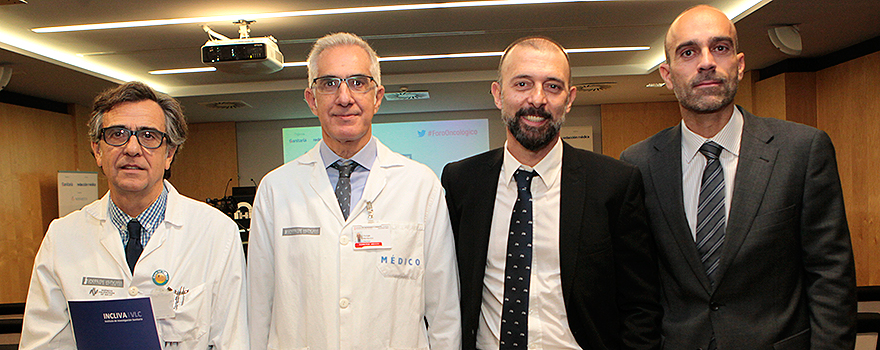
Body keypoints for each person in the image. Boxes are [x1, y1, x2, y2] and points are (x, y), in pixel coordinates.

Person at [620, 5, 857, 349]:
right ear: (668, 75)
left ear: (740, 64)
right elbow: (638, 287)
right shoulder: (639, 164)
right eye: (688, 52)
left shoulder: (802, 151)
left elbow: (831, 277)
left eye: (720, 48)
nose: (706, 62)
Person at [442, 36, 661, 350]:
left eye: (553, 86)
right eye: (522, 84)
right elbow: (445, 289)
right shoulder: (462, 181)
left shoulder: (614, 183)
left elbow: (641, 305)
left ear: (569, 99)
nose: (537, 99)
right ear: (498, 94)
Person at [246, 32, 461, 350]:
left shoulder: (421, 185)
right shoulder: (276, 190)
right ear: (311, 99)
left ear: (377, 97)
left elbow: (444, 312)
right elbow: (258, 310)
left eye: (358, 82)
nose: (344, 97)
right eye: (329, 83)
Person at [19, 81, 248, 349]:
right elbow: (42, 344)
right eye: (117, 134)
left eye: (148, 136)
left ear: (169, 154)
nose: (132, 148)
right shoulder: (62, 237)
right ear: (97, 150)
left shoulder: (216, 232)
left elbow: (232, 340)